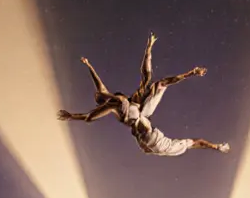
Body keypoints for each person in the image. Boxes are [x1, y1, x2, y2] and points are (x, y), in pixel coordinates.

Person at [57, 33, 230, 156]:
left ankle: (216, 147)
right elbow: (90, 115)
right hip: (149, 137)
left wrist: (89, 65)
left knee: (156, 84)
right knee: (147, 91)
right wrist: (72, 116)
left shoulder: (128, 101)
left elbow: (103, 85)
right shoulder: (115, 106)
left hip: (147, 132)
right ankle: (215, 147)